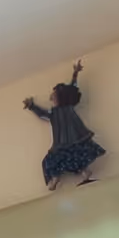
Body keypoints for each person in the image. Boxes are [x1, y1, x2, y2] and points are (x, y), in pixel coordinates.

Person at [23, 60, 105, 190]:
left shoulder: (66, 107)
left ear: (61, 97)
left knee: (73, 157)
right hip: (62, 142)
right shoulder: (54, 112)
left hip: (71, 140)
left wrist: (75, 73)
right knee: (56, 160)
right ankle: (58, 177)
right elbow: (42, 113)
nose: (52, 98)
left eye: (54, 96)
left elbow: (72, 88)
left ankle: (78, 174)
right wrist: (32, 106)